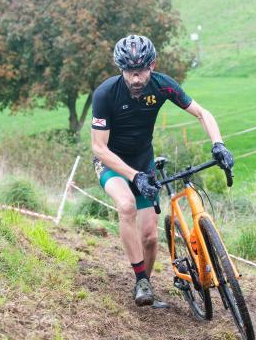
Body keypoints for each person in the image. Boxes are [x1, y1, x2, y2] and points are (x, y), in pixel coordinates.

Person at [90, 35, 234, 308]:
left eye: (141, 71)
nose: (135, 79)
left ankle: (144, 284)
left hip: (143, 160)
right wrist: (134, 177)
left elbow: (203, 113)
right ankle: (141, 279)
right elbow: (98, 148)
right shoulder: (105, 94)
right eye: (130, 72)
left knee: (150, 236)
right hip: (111, 162)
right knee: (126, 204)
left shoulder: (163, 86)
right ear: (120, 69)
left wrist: (219, 144)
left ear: (152, 65)